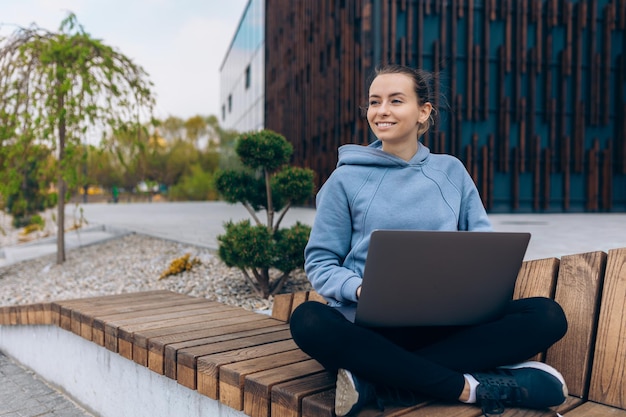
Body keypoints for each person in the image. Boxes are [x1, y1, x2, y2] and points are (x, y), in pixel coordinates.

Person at [289, 64, 568, 417]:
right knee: (309, 320)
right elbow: (320, 262)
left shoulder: (452, 171)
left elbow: (483, 246)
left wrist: (476, 290)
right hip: (371, 332)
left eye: (395, 100)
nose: (381, 111)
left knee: (547, 315)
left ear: (424, 111)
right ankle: (472, 388)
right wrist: (362, 290)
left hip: (447, 326)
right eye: (374, 102)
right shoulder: (344, 180)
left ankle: (376, 383)